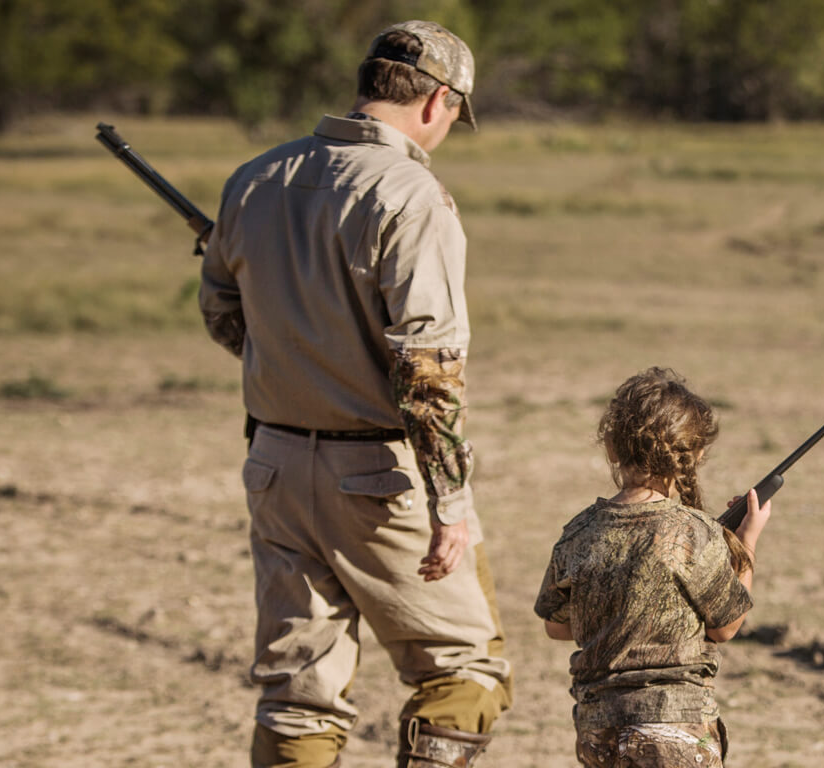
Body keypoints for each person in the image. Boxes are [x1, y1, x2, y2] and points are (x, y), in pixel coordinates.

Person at [197, 20, 510, 768]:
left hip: (274, 464)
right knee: (463, 676)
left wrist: (296, 344)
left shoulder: (255, 178)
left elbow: (221, 315)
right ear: (438, 101)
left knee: (297, 696)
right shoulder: (412, 194)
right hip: (378, 477)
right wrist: (452, 505)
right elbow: (429, 371)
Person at [534, 368, 772, 767]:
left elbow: (556, 625)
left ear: (611, 448)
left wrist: (619, 614)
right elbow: (726, 626)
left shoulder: (578, 531)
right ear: (693, 454)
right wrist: (747, 543)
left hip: (598, 734)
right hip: (675, 732)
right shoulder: (693, 532)